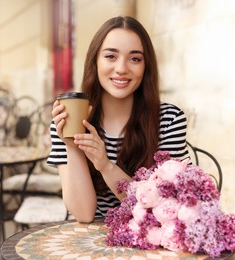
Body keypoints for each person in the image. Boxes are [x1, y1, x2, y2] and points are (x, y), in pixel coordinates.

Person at [47, 16, 189, 223]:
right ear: (95, 61)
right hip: (87, 244)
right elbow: (84, 214)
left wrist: (105, 166)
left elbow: (164, 208)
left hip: (150, 241)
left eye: (135, 59)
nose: (122, 68)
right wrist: (72, 145)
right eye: (111, 56)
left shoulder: (169, 120)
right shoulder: (67, 119)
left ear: (146, 67)